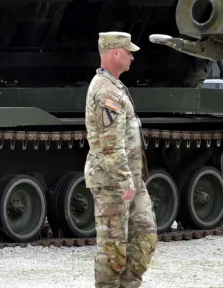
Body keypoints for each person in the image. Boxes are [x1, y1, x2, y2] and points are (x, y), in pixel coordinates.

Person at [84, 31, 158, 288]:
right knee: (113, 251)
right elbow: (111, 144)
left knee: (145, 237)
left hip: (131, 181)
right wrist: (125, 180)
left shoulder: (115, 86)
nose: (132, 57)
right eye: (129, 52)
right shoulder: (106, 91)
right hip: (114, 182)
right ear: (116, 53)